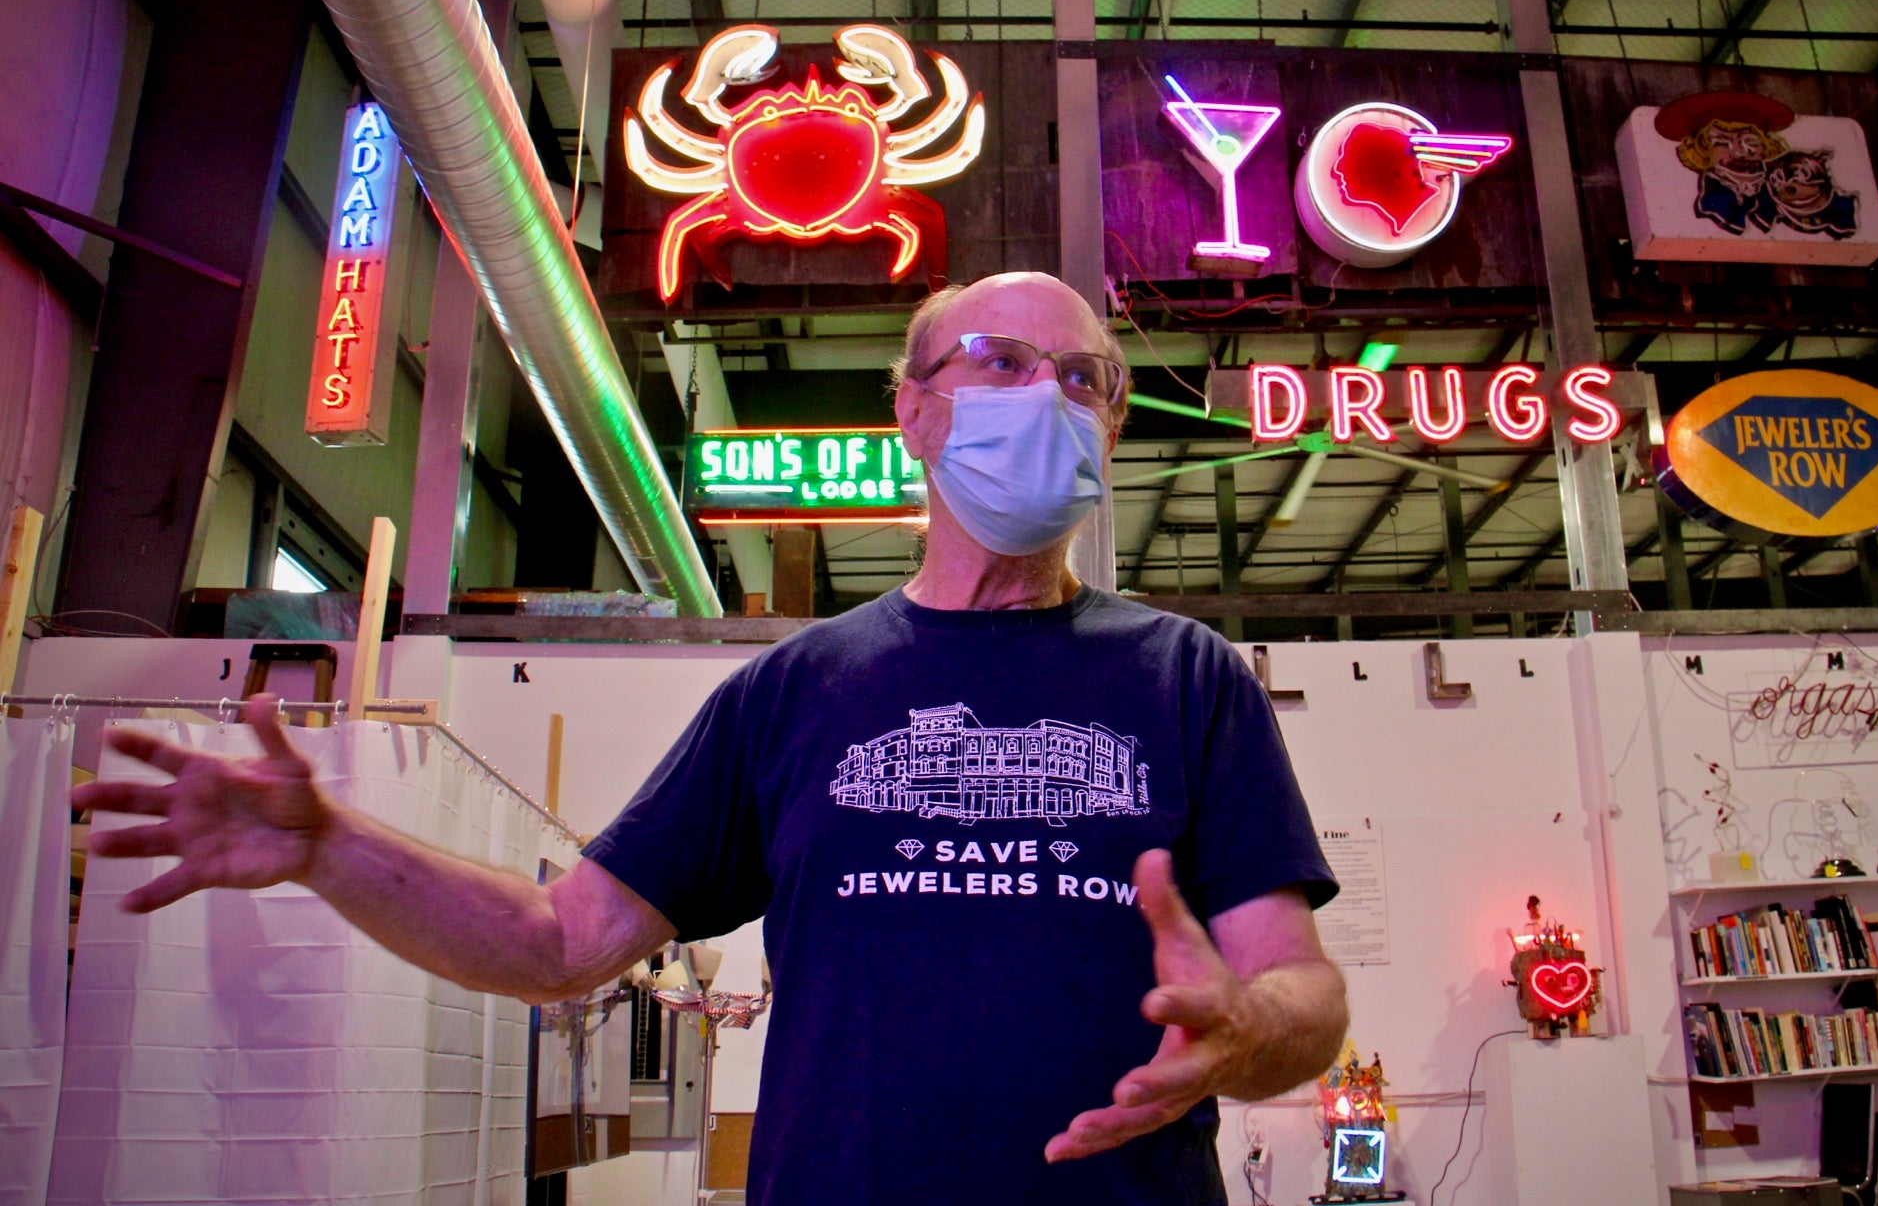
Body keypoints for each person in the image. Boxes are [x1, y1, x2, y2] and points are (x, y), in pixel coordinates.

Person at [73, 270, 1349, 1206]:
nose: (1053, 395)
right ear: (913, 411)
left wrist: (1248, 1023)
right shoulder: (798, 688)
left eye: (1086, 379)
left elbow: (1306, 992)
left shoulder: (1189, 679)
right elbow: (562, 942)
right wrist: (327, 843)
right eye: (1005, 361)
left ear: (1111, 428)